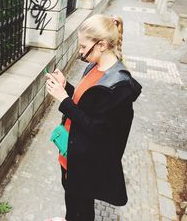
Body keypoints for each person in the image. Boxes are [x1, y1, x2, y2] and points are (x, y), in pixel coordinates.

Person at [45, 14, 142, 221]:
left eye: (83, 46)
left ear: (102, 45)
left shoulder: (119, 86)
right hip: (71, 152)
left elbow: (98, 131)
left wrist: (63, 101)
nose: (80, 52)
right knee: (74, 203)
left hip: (86, 162)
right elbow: (86, 104)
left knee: (81, 208)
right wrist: (66, 87)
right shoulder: (93, 67)